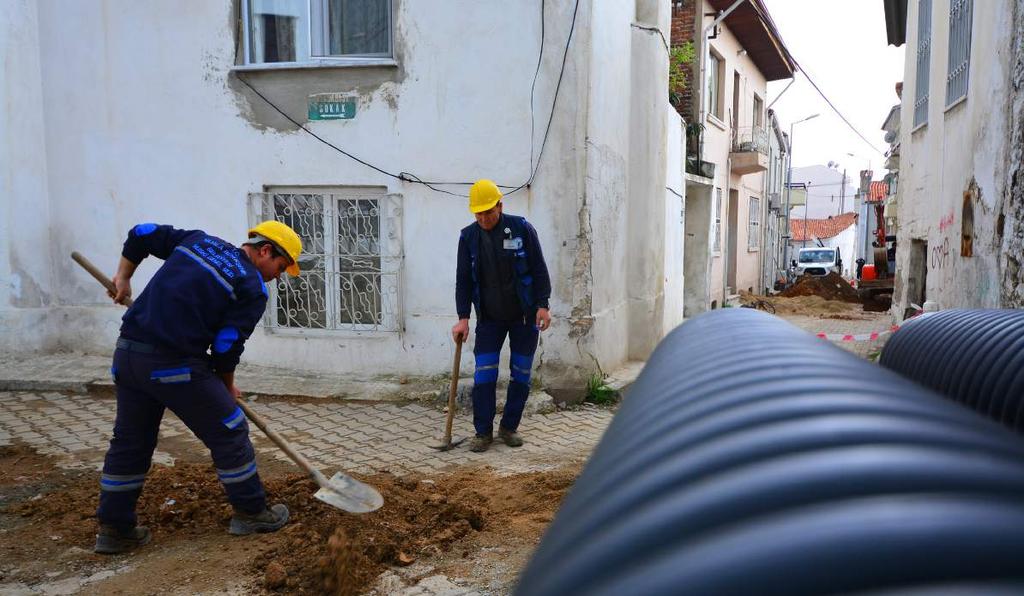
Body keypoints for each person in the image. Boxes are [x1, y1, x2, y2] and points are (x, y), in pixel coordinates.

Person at [94, 220, 302, 554]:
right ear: (265, 251)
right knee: (230, 428)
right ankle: (251, 512)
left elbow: (141, 233)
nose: (277, 276)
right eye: (280, 267)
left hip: (129, 356)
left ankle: (114, 530)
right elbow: (226, 345)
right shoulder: (250, 286)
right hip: (173, 365)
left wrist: (124, 277)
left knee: (130, 442)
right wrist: (227, 388)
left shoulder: (197, 241)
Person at [452, 179, 552, 453]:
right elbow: (463, 280)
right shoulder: (468, 237)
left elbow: (539, 269)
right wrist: (463, 317)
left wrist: (543, 304)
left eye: (488, 212)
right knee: (484, 375)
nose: (484, 218)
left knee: (520, 374)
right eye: (479, 213)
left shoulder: (521, 229)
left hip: (524, 317)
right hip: (489, 320)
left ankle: (509, 428)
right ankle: (482, 432)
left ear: (500, 206)